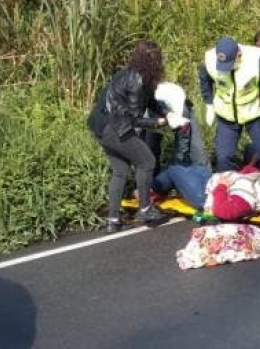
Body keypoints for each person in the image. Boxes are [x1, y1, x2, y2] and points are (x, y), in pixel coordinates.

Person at [86, 40, 170, 232]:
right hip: (114, 128)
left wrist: (166, 113)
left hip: (100, 125)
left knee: (120, 170)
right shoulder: (138, 81)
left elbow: (149, 101)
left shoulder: (131, 74)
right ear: (154, 61)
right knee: (147, 161)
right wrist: (158, 123)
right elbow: (133, 119)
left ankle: (113, 220)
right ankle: (145, 208)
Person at [198, 36, 260, 173]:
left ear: (239, 55)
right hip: (227, 116)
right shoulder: (210, 60)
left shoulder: (257, 57)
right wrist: (208, 103)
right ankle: (231, 188)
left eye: (230, 64)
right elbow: (204, 79)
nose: (227, 69)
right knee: (223, 157)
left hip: (254, 112)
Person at [151, 82, 212, 209]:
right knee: (151, 152)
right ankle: (153, 187)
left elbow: (182, 145)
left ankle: (202, 182)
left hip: (178, 112)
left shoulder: (182, 112)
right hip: (154, 117)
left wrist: (178, 171)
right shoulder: (150, 110)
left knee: (197, 151)